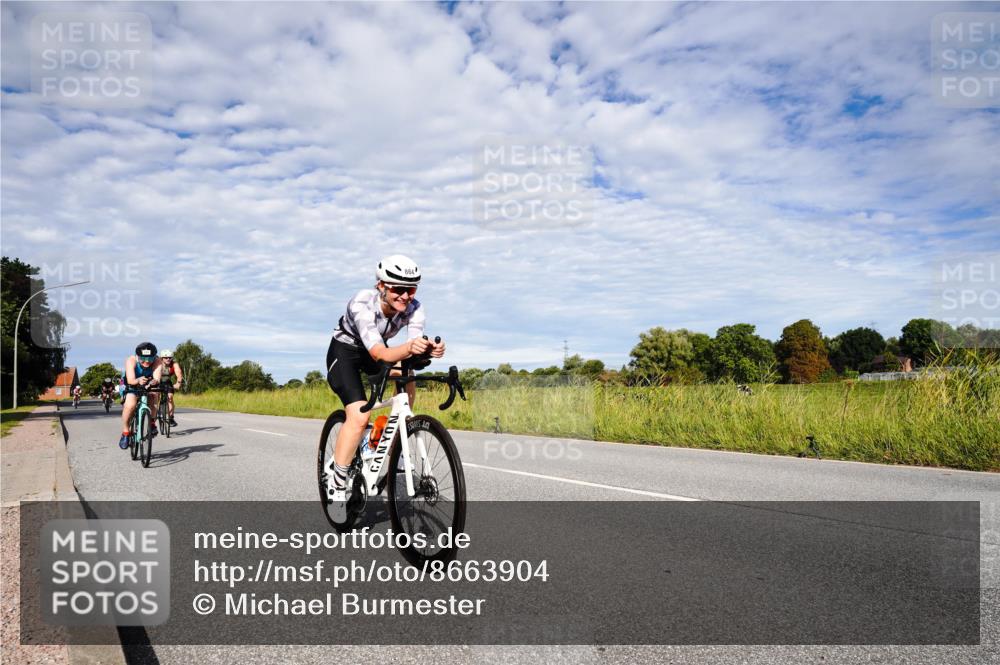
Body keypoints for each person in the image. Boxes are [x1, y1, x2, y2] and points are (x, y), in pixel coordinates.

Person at [324, 255, 444, 521]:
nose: (405, 296)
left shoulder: (415, 308)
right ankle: (337, 484)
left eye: (411, 289)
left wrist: (429, 350)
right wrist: (410, 349)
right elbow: (379, 352)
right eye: (398, 289)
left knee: (407, 373)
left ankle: (391, 440)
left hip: (374, 352)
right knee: (359, 416)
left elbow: (412, 347)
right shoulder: (361, 302)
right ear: (381, 286)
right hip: (345, 353)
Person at [118, 342, 163, 449]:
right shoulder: (131, 360)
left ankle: (152, 422)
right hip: (131, 382)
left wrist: (153, 382)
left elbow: (156, 378)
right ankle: (125, 432)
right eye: (143, 358)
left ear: (154, 357)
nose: (147, 362)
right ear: (138, 356)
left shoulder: (157, 361)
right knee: (130, 405)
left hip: (148, 383)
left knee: (154, 395)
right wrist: (138, 380)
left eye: (150, 359)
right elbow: (130, 380)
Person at [157, 349, 183, 427]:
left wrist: (178, 383)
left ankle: (171, 418)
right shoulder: (158, 364)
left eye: (170, 357)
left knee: (170, 397)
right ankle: (157, 413)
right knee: (156, 397)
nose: (168, 359)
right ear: (162, 358)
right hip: (157, 382)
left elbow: (179, 374)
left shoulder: (174, 364)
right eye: (166, 357)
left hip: (167, 383)